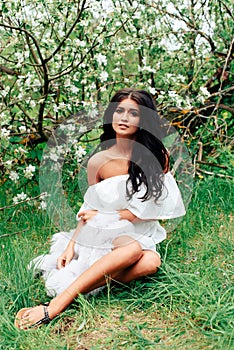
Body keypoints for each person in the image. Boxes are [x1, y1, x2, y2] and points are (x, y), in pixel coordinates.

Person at [15, 88, 186, 329]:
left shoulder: (157, 156)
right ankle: (56, 305)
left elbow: (157, 208)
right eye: (119, 111)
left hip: (139, 230)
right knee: (132, 250)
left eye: (133, 113)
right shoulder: (98, 161)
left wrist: (109, 214)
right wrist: (72, 244)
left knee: (150, 263)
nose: (124, 118)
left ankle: (80, 286)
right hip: (103, 232)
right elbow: (89, 207)